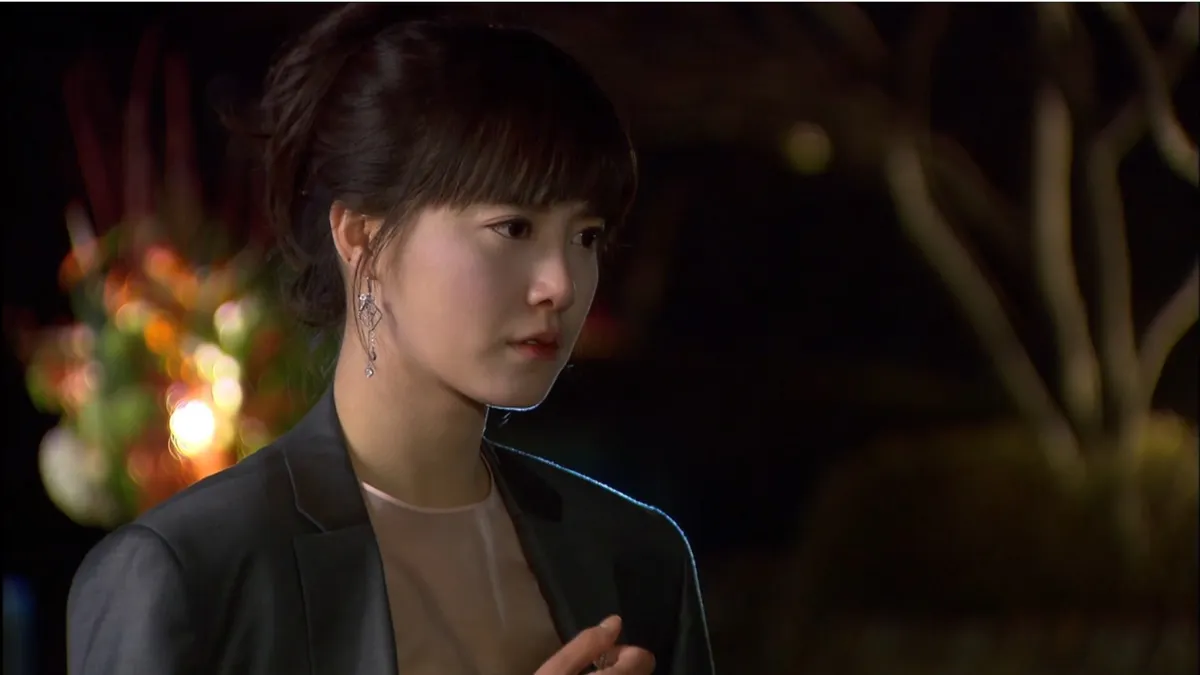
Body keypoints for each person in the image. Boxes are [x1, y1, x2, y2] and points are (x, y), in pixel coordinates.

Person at [66, 4, 714, 675]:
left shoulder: (634, 557)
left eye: (586, 237)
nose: (561, 284)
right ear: (362, 237)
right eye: (514, 228)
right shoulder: (191, 572)